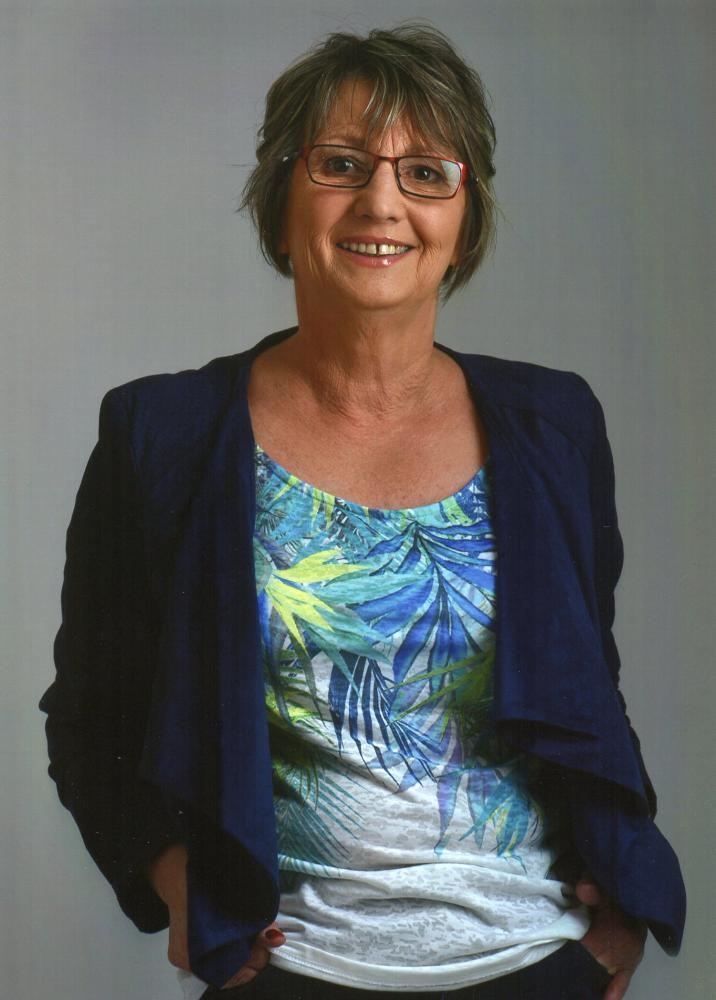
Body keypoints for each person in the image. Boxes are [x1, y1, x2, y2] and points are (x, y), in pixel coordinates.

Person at [40, 24, 685, 1000]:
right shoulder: (163, 436)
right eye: (340, 164)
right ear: (281, 201)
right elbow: (92, 719)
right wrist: (174, 881)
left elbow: (587, 687)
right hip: (290, 968)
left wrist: (618, 906)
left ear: (464, 218)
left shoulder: (551, 426)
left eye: (425, 172)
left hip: (538, 961)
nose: (382, 202)